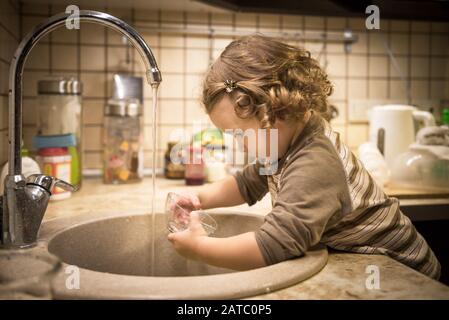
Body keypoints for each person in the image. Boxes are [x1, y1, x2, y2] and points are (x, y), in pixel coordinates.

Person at [167, 35, 441, 280]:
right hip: (366, 262)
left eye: (240, 134)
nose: (241, 145)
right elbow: (246, 183)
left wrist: (200, 248)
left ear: (277, 111)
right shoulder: (282, 144)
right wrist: (200, 199)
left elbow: (275, 245)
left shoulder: (314, 162)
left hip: (403, 272)